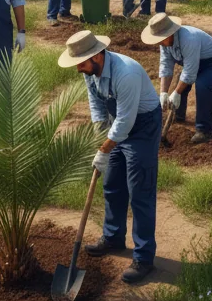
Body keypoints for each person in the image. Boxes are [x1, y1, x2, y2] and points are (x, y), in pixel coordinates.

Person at [58, 29, 162, 284]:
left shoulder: (125, 73)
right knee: (112, 184)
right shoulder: (90, 71)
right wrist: (99, 135)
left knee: (140, 191)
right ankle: (113, 237)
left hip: (143, 126)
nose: (78, 69)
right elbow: (96, 104)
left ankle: (144, 257)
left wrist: (105, 149)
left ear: (97, 56)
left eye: (81, 63)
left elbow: (126, 121)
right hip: (119, 124)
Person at [141, 12, 212, 144]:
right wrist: (164, 92)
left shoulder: (189, 39)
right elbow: (166, 65)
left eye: (161, 39)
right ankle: (178, 115)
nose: (160, 43)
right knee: (181, 85)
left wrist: (176, 92)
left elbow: (190, 72)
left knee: (202, 85)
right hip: (193, 62)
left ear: (169, 34)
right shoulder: (164, 43)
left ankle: (204, 130)